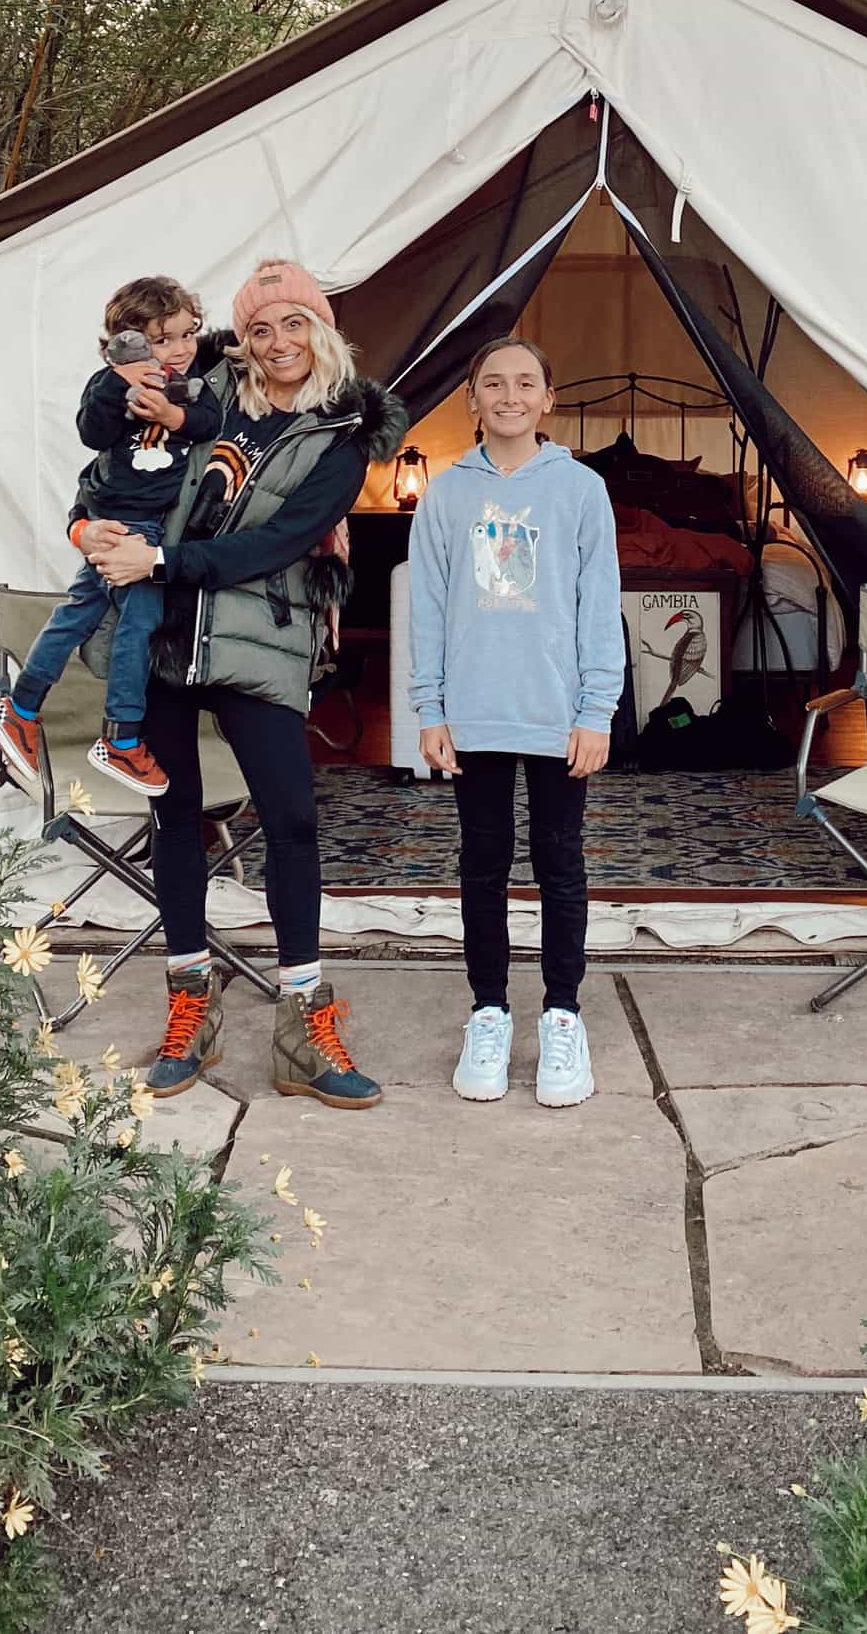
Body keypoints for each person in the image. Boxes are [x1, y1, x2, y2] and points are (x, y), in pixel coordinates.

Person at [84, 259, 406, 1106]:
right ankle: (192, 1002)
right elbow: (120, 462)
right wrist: (89, 523)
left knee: (292, 815)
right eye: (259, 329)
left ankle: (303, 1024)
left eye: (293, 323)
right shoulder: (214, 395)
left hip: (255, 639)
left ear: (322, 329)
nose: (277, 343)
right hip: (159, 633)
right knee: (175, 816)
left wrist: (159, 556)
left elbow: (275, 543)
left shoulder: (342, 437)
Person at [409, 335, 622, 1109]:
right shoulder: (446, 493)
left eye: (524, 382)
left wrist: (596, 709)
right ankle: (489, 1011)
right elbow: (427, 607)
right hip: (476, 710)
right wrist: (430, 708)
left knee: (560, 861)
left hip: (557, 711)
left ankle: (562, 1013)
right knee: (483, 863)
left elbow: (599, 608)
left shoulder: (579, 488)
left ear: (548, 397)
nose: (508, 395)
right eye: (492, 383)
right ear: (471, 400)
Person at [0, 276, 222, 800]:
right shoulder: (107, 382)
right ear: (129, 341)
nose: (179, 349)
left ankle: (22, 707)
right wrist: (120, 380)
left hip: (138, 525)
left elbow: (208, 422)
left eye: (187, 335)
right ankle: (120, 736)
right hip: (125, 524)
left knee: (78, 613)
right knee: (137, 625)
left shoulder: (190, 380)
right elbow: (92, 434)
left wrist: (170, 413)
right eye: (163, 340)